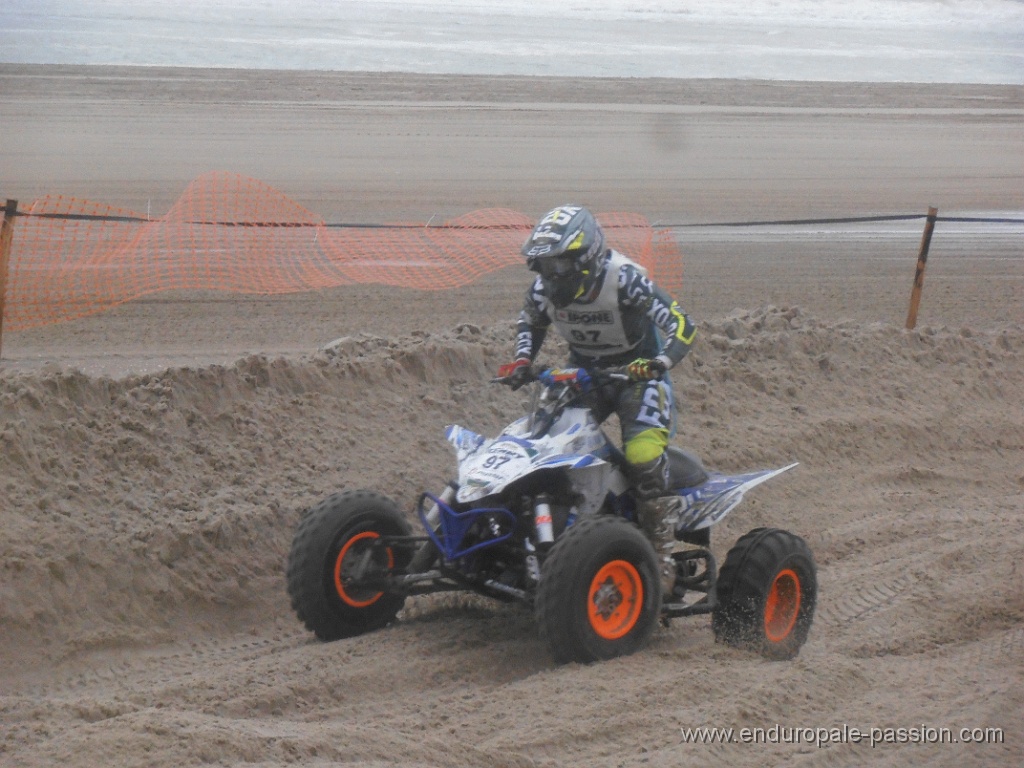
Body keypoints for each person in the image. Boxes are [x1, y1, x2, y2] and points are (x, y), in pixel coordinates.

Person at [499, 204, 697, 597]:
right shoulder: (543, 289)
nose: (549, 275)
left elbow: (681, 324)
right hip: (583, 375)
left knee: (642, 455)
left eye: (558, 264)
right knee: (540, 443)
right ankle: (530, 533)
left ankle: (660, 553)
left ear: (585, 257)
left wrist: (659, 362)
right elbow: (530, 322)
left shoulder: (623, 279)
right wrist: (523, 360)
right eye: (542, 265)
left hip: (635, 377)